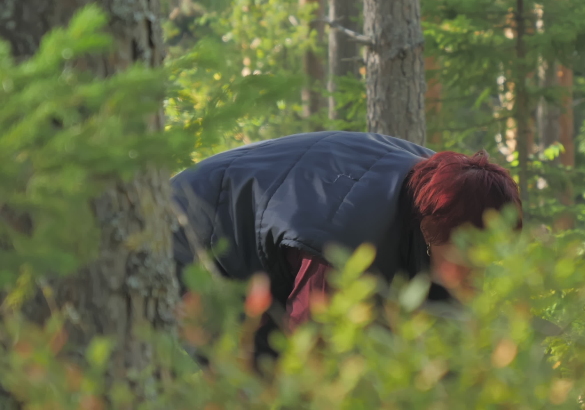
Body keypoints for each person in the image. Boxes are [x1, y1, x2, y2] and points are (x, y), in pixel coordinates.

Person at [170, 130, 522, 366]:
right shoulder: (341, 246)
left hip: (271, 231)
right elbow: (310, 357)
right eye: (473, 251)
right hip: (191, 228)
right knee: (246, 368)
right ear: (432, 230)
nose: (483, 265)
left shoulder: (455, 190)